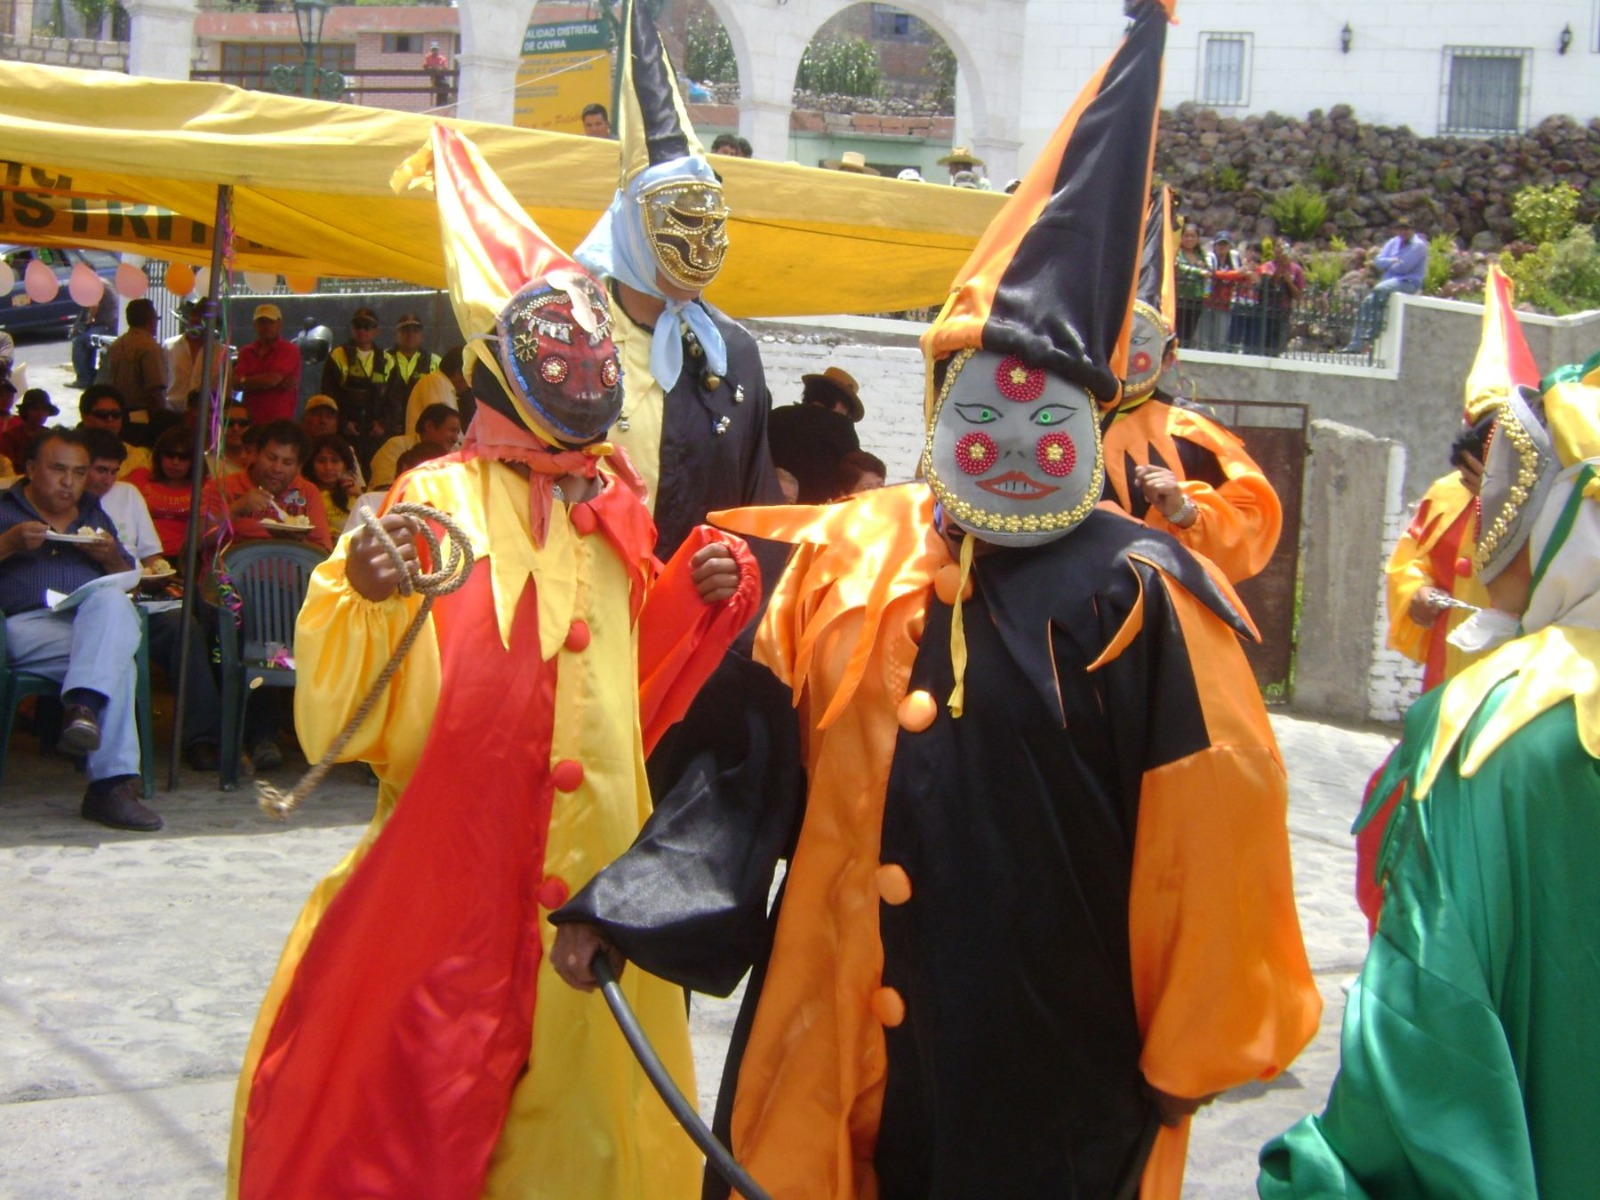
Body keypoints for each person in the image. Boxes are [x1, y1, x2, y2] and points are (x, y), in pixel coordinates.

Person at [554, 7, 1318, 1198]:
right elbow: (749, 765)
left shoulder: (1147, 597)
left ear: (1094, 419)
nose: (1011, 444)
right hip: (825, 1027)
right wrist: (633, 905)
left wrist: (1192, 1051)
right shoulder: (848, 553)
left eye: (1043, 416)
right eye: (982, 413)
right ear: (936, 409)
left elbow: (1211, 838)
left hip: (1043, 1068)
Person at [228, 121, 761, 1200]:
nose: (579, 364)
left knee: (586, 1130)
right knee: (409, 1109)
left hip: (593, 870)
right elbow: (360, 677)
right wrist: (368, 593)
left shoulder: (614, 506)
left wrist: (694, 608)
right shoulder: (437, 497)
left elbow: (621, 679)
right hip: (454, 854)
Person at [1259, 373, 1600, 1200]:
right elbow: (1409, 577)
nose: (1490, 521)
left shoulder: (1500, 733)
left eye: (1515, 490)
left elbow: (1427, 1040)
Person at [1102, 189, 1283, 585]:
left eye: (1139, 343)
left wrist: (1186, 511)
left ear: (1169, 356)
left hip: (1161, 610)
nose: (1122, 356)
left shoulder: (1193, 434)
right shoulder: (1049, 412)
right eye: (1113, 339)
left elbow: (1252, 525)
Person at [0, 428, 155, 830]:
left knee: (110, 601)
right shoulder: (6, 509)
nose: (69, 482)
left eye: (79, 472)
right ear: (32, 469)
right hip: (25, 627)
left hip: (86, 625)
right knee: (118, 658)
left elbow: (129, 579)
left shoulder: (92, 514)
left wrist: (110, 558)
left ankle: (83, 707)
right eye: (58, 470)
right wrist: (10, 543)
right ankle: (112, 787)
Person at [202, 419, 332, 554]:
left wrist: (297, 543)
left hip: (289, 571)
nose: (277, 468)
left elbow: (323, 553)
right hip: (233, 572)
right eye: (271, 458)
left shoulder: (307, 491)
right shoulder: (221, 486)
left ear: (299, 467)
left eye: (287, 463)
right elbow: (196, 541)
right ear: (255, 454)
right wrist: (235, 510)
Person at [766, 365, 864, 503]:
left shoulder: (777, 415)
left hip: (772, 503)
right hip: (816, 510)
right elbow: (854, 469)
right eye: (848, 409)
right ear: (840, 403)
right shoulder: (840, 425)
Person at [319, 306, 396, 471]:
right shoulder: (338, 355)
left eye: (367, 326)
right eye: (358, 325)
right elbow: (329, 394)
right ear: (352, 328)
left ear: (376, 331)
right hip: (346, 432)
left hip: (375, 433)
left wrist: (383, 424)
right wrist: (343, 422)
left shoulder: (387, 360)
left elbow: (393, 398)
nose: (362, 330)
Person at [1342, 216, 1428, 354]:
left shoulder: (1418, 246)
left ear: (1412, 230)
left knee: (1380, 289)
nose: (1403, 232)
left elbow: (1403, 268)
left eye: (1406, 229)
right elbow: (1377, 261)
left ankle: (1375, 329)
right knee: (1365, 304)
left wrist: (1388, 263)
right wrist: (1392, 261)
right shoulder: (1393, 242)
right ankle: (1356, 344)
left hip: (1408, 282)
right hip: (1389, 281)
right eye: (1401, 229)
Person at [127, 424, 197, 560]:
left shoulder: (204, 485)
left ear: (193, 461)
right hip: (142, 555)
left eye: (183, 457)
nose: (175, 462)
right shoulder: (140, 477)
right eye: (170, 455)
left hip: (187, 558)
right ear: (159, 456)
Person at [102, 297, 168, 430]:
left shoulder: (116, 345)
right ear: (150, 321)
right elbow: (155, 390)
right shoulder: (149, 347)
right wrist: (161, 421)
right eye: (156, 319)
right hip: (142, 414)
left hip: (118, 413)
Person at [234, 303, 302, 426]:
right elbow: (235, 383)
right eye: (262, 322)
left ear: (280, 324)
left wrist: (246, 381)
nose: (266, 326)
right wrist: (275, 381)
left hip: (279, 423)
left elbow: (271, 380)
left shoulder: (289, 349)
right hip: (250, 421)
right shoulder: (246, 351)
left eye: (270, 322)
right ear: (255, 325)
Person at [366, 402, 462, 489]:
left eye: (457, 433)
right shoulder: (397, 446)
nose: (455, 439)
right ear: (429, 426)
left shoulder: (452, 456)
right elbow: (384, 488)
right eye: (452, 430)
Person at [164, 300, 227, 414]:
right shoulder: (169, 346)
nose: (195, 325)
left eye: (200, 322)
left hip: (204, 415)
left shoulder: (220, 352)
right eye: (193, 320)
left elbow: (225, 389)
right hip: (172, 412)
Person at [77, 385, 152, 479]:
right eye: (102, 415)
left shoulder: (136, 457)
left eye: (116, 414)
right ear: (84, 416)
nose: (110, 420)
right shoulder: (67, 451)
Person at [402, 343, 470, 433]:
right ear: (458, 373)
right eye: (469, 375)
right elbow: (442, 430)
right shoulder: (435, 382)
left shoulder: (442, 385)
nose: (470, 383)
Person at [386, 312, 438, 423]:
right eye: (405, 331)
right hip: (387, 428)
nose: (410, 335)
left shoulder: (434, 361)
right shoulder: (382, 359)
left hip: (422, 426)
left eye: (415, 331)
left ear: (422, 335)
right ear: (397, 334)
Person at [1258, 239, 1305, 356]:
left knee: (1279, 346)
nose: (1281, 250)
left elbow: (1299, 295)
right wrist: (1281, 267)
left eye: (1284, 247)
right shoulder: (1268, 266)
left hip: (1284, 311)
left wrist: (1289, 282)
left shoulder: (1296, 269)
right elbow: (1270, 284)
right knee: (1265, 345)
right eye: (1278, 247)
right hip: (1267, 311)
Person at [305, 434, 360, 531]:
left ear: (345, 465)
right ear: (311, 465)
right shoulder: (305, 495)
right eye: (321, 461)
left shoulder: (354, 493)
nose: (328, 467)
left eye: (335, 461)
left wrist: (360, 496)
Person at [69, 284, 117, 390]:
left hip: (107, 326)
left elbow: (94, 306)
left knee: (79, 341)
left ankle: (84, 379)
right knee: (85, 339)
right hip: (106, 325)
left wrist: (88, 322)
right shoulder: (99, 283)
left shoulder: (94, 285)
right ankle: (90, 376)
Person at [1198, 230, 1240, 350]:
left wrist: (1233, 274)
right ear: (1214, 245)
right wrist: (1234, 274)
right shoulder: (1210, 257)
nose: (1222, 247)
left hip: (1225, 302)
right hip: (1209, 300)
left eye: (1225, 244)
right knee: (1204, 333)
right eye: (1219, 244)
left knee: (1221, 335)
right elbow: (1212, 273)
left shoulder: (1234, 259)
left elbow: (1242, 275)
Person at [0, 387, 56, 468]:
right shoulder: (10, 437)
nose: (40, 414)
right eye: (35, 409)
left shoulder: (51, 437)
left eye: (44, 409)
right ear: (25, 411)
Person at [1173, 222, 1208, 346]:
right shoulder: (1177, 253)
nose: (1189, 239)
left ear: (1198, 238)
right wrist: (1198, 271)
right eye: (1186, 236)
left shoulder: (1201, 255)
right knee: (1178, 328)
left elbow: (1209, 270)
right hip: (1180, 296)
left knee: (1190, 328)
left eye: (1193, 236)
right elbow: (1179, 267)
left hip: (1196, 297)